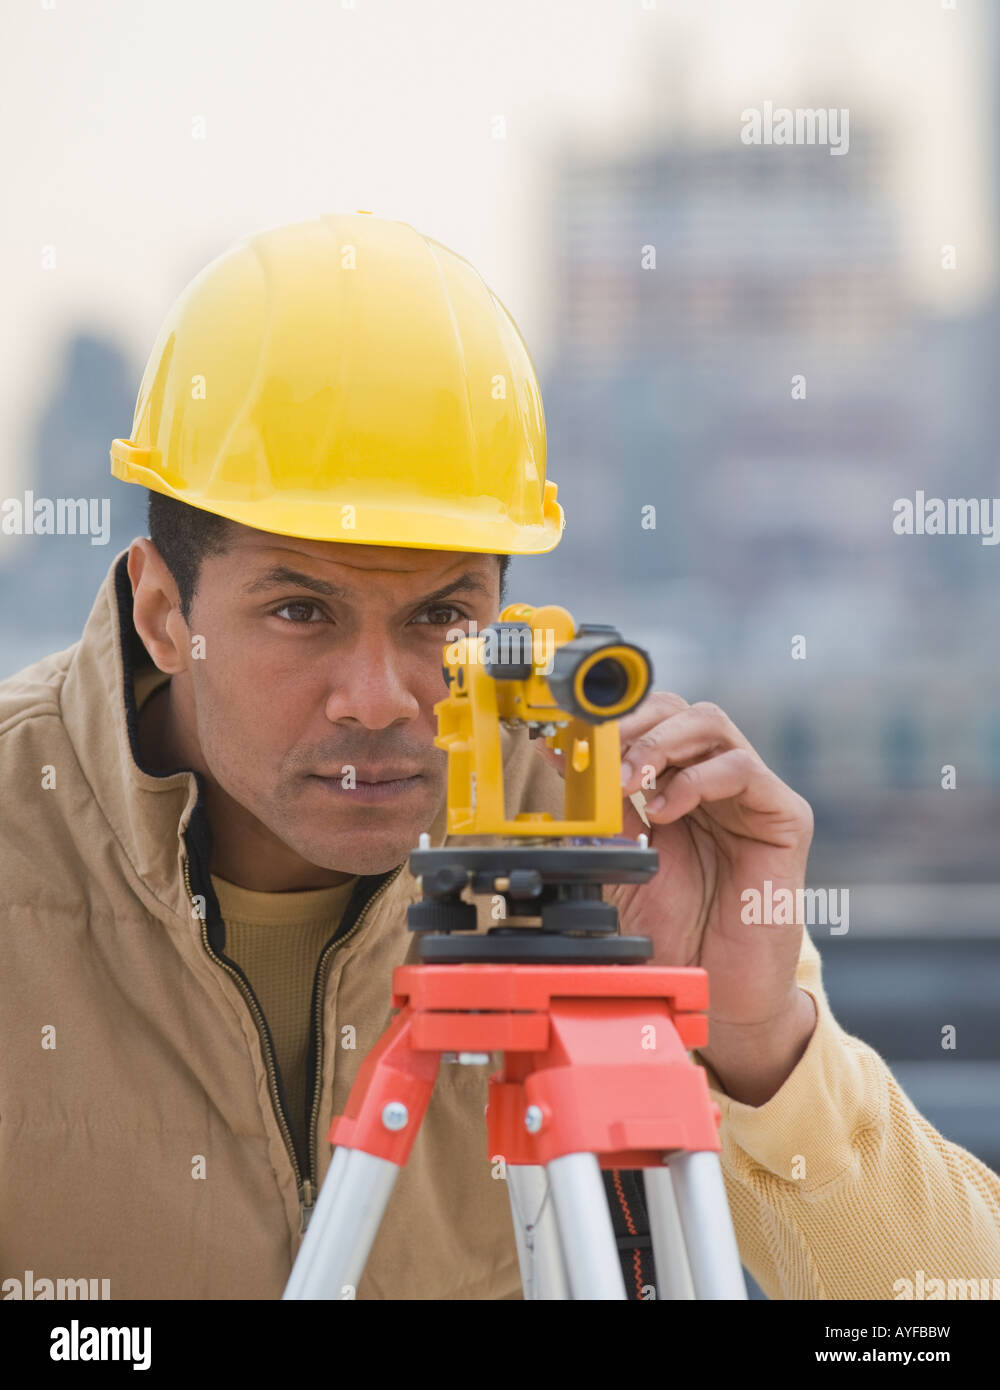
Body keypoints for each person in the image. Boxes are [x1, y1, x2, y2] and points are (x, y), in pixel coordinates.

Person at [2, 213, 998, 1302]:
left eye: (440, 614)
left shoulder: (596, 828)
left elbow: (937, 1309)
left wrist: (759, 1040)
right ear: (161, 609)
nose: (379, 699)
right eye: (301, 610)